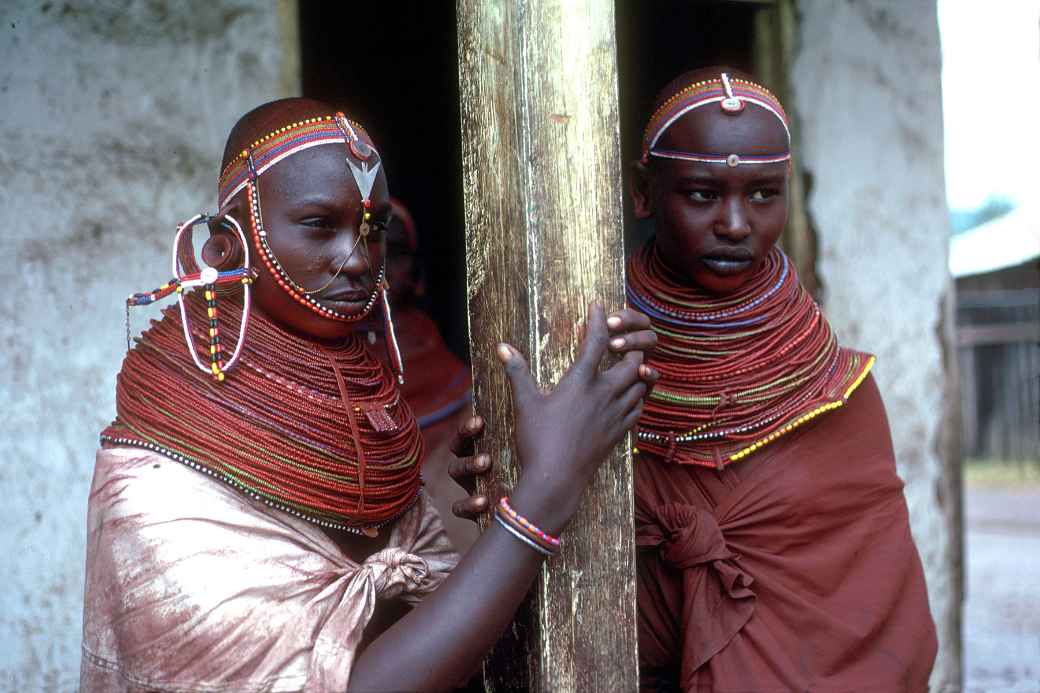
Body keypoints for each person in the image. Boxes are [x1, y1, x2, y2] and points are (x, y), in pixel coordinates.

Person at [80, 97, 658, 692]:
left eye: (372, 229)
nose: (358, 260)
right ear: (224, 246)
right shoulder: (154, 485)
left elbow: (429, 625)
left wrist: (501, 508)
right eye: (319, 225)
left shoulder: (368, 421)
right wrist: (542, 495)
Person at [625, 68, 938, 691]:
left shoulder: (839, 399)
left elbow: (879, 617)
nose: (736, 223)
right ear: (643, 191)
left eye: (764, 194)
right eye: (701, 193)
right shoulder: (595, 360)